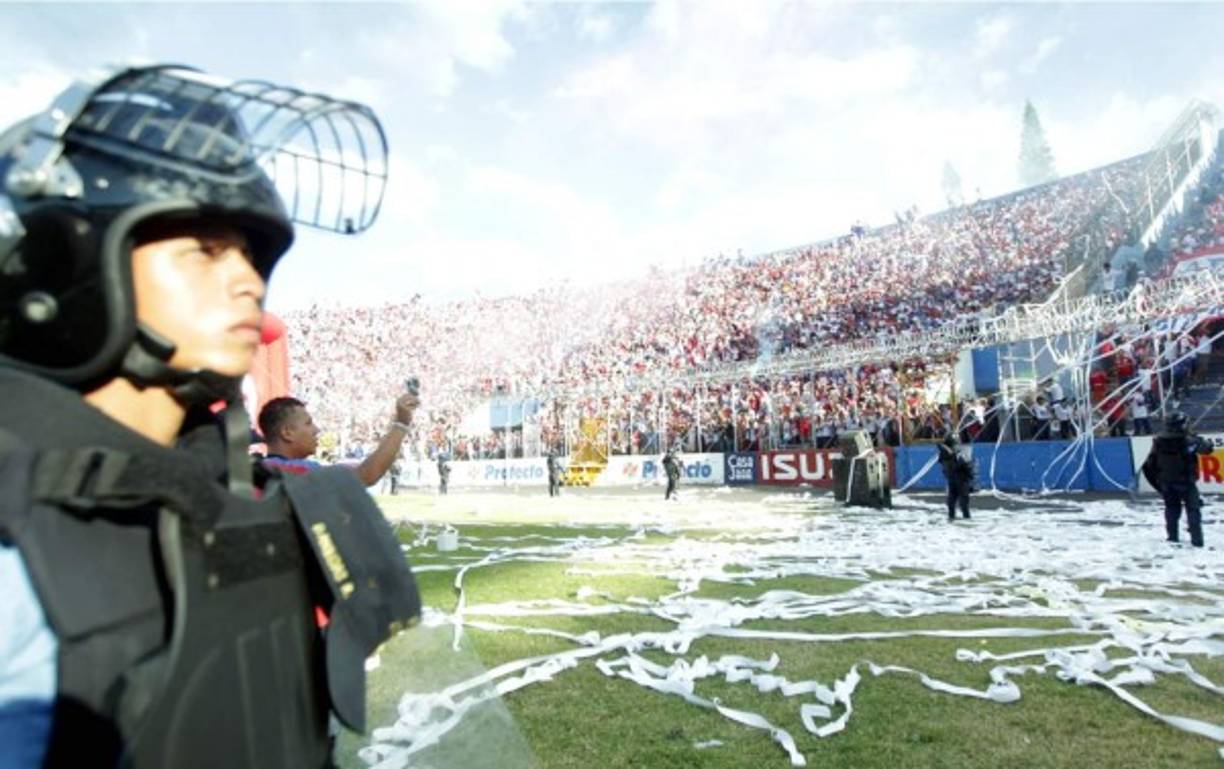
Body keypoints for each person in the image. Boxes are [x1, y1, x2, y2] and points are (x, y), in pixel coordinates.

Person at [0, 65, 418, 768]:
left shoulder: (231, 495)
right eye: (203, 249)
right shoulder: (17, 546)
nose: (248, 278)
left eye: (251, 253)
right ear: (68, 258)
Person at [258, 394, 418, 487]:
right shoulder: (292, 471)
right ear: (287, 433)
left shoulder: (262, 469)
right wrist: (402, 423)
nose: (316, 430)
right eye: (308, 423)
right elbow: (366, 475)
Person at [1143, 411, 1212, 547]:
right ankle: (1197, 541)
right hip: (1186, 481)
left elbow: (1150, 464)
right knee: (1193, 509)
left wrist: (1159, 484)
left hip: (1166, 483)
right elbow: (1207, 449)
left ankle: (1172, 538)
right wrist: (1197, 439)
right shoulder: (1189, 441)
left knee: (1171, 509)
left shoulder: (1159, 441)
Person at [938, 433, 974, 521]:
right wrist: (966, 467)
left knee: (953, 499)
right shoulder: (949, 454)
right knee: (961, 500)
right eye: (955, 443)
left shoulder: (946, 453)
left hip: (953, 478)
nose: (957, 444)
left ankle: (953, 516)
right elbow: (957, 465)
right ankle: (965, 517)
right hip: (958, 478)